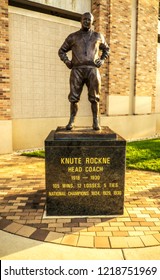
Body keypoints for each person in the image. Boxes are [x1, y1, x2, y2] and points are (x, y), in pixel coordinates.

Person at [58, 12, 109, 130]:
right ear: (81, 21)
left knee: (94, 97)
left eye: (89, 20)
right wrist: (67, 61)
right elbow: (61, 51)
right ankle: (72, 120)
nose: (87, 22)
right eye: (85, 19)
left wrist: (101, 60)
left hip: (92, 69)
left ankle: (96, 121)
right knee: (74, 97)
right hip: (77, 70)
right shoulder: (73, 37)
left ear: (92, 22)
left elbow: (106, 49)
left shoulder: (98, 36)